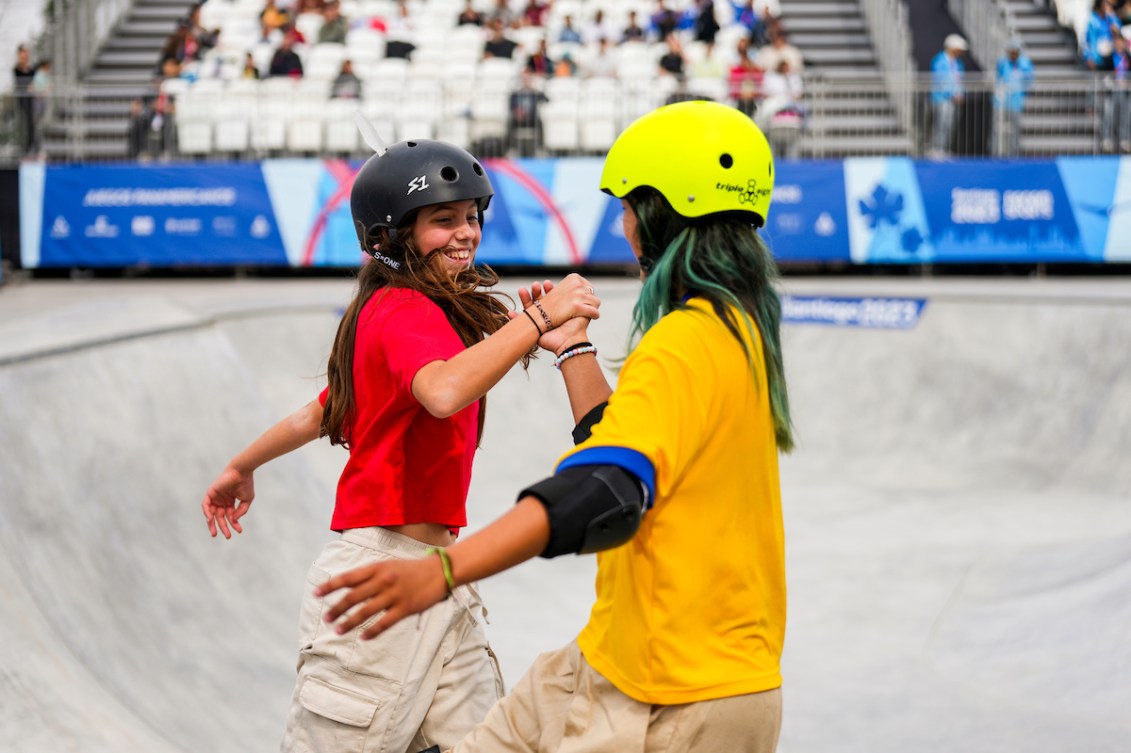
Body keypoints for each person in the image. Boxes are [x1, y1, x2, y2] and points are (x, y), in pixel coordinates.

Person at [317, 99, 794, 753]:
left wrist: (444, 571)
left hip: (680, 691)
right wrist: (573, 348)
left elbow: (606, 489)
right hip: (617, 652)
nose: (623, 224)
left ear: (659, 212)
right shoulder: (734, 327)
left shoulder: (684, 340)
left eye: (628, 206)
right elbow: (622, 441)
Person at [201, 138, 600, 753]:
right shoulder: (401, 308)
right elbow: (443, 392)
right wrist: (537, 321)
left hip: (439, 578)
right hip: (378, 575)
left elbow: (325, 412)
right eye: (444, 219)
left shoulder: (418, 314)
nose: (465, 232)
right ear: (390, 235)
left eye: (472, 216)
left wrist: (239, 465)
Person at [993, 36, 1034, 156]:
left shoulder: (1025, 64)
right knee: (998, 129)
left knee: (1015, 129)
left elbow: (1029, 82)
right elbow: (998, 79)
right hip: (1001, 101)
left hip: (1016, 102)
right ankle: (996, 153)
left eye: (1015, 52)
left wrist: (1022, 94)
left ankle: (1014, 153)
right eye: (1011, 52)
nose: (1013, 54)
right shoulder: (1002, 62)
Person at [929, 33, 967, 158]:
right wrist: (952, 94)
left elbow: (959, 80)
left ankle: (944, 148)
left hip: (954, 99)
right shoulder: (939, 61)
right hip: (941, 98)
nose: (959, 52)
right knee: (942, 124)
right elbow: (941, 80)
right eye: (958, 49)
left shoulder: (958, 63)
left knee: (950, 124)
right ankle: (936, 148)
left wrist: (960, 94)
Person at [12, 45, 39, 155]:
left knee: (31, 122)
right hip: (22, 97)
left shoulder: (31, 68)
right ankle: (24, 146)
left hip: (30, 97)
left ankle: (31, 145)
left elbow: (33, 80)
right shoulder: (16, 68)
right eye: (23, 52)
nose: (25, 54)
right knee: (24, 121)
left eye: (26, 52)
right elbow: (20, 81)